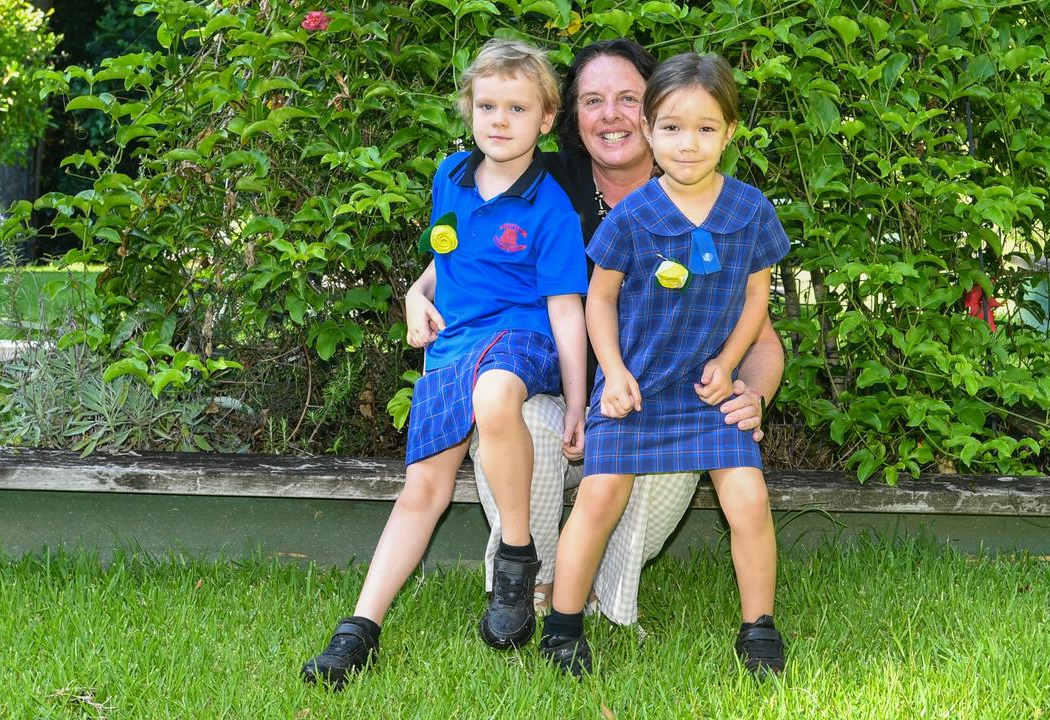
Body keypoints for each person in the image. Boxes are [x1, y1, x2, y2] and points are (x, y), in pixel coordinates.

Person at [405, 39, 785, 627]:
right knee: (526, 417)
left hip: (656, 391)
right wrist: (417, 291)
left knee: (666, 456)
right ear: (567, 117)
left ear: (657, 110)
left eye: (628, 98)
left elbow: (760, 334)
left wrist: (750, 395)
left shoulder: (700, 188)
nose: (610, 114)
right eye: (593, 100)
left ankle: (607, 589)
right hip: (552, 383)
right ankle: (532, 581)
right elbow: (468, 252)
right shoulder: (541, 180)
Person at [301, 38, 588, 690]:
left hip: (523, 342)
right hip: (453, 345)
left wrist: (576, 402)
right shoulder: (450, 176)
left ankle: (516, 558)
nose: (498, 120)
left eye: (517, 108)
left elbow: (567, 311)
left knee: (494, 398)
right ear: (468, 110)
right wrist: (415, 292)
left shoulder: (551, 208)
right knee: (422, 490)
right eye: (487, 105)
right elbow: (449, 256)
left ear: (545, 119)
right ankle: (359, 632)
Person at [538, 52, 789, 677]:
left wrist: (731, 365)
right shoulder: (634, 214)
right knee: (599, 497)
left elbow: (757, 298)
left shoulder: (750, 210)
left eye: (706, 128)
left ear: (730, 133)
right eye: (672, 127)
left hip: (707, 391)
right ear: (650, 131)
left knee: (749, 498)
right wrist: (614, 373)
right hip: (637, 387)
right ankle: (563, 629)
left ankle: (758, 628)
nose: (688, 143)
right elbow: (598, 298)